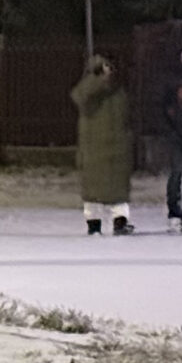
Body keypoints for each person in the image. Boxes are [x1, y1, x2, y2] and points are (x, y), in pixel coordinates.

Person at [71, 52, 133, 236]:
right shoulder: (89, 90)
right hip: (94, 147)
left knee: (118, 190)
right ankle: (94, 224)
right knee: (93, 190)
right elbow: (80, 96)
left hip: (117, 147)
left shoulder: (119, 90)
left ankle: (120, 222)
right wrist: (98, 79)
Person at [163, 53, 182, 230]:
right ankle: (174, 212)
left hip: (176, 132)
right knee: (176, 172)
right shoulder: (173, 82)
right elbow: (165, 107)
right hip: (177, 134)